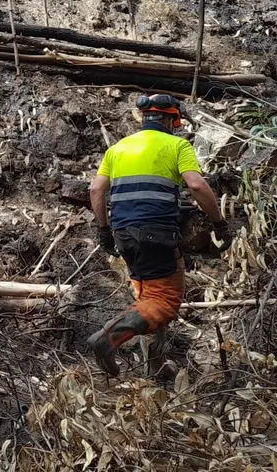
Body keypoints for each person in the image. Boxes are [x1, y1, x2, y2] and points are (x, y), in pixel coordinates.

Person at [88, 94, 231, 376]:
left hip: (123, 235)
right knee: (164, 301)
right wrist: (219, 223)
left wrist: (104, 230)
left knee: (148, 297)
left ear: (144, 119)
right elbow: (197, 186)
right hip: (155, 233)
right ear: (170, 120)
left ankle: (155, 366)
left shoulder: (118, 148)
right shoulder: (177, 145)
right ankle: (108, 338)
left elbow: (95, 190)